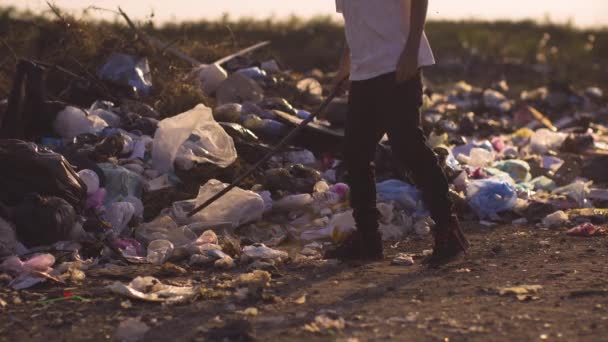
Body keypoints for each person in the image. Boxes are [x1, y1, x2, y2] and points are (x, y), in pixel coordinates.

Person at [325, 0, 469, 264]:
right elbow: (354, 26)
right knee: (356, 154)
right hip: (363, 74)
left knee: (408, 147)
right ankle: (368, 240)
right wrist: (345, 68)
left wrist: (412, 51)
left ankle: (449, 231)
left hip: (397, 65)